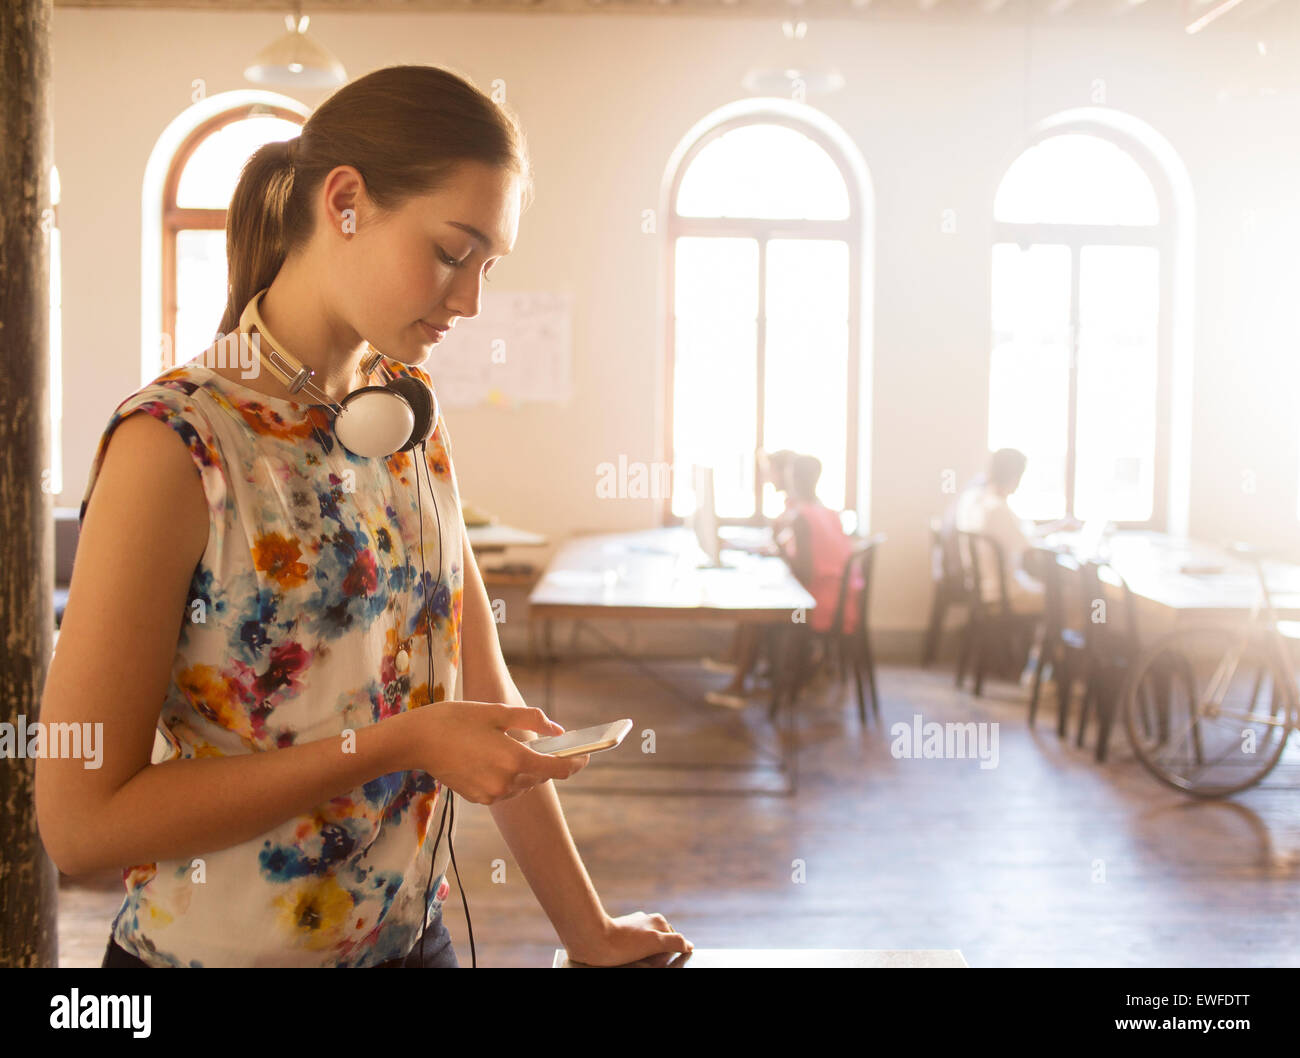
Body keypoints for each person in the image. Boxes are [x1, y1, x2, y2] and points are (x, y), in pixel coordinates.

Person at [35, 65, 691, 968]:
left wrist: (590, 931)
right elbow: (80, 826)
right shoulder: (176, 444)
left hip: (414, 945)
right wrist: (397, 744)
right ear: (344, 201)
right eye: (453, 252)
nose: (470, 301)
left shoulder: (408, 413)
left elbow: (489, 696)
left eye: (489, 266)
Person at [703, 449, 796, 709]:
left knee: (756, 606)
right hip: (802, 585)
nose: (767, 478)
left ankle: (738, 684)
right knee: (754, 597)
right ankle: (734, 662)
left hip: (807, 596)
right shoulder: (793, 507)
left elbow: (788, 553)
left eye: (770, 471)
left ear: (784, 473)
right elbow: (780, 548)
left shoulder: (798, 512)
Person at [950, 448, 1076, 614]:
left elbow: (1021, 536)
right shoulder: (997, 509)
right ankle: (1053, 640)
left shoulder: (973, 499)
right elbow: (1029, 549)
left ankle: (1039, 638)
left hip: (981, 586)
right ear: (1015, 477)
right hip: (1003, 594)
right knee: (1072, 595)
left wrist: (1054, 528)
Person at [776, 454, 865, 645]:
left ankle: (788, 669)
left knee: (773, 609)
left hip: (821, 606)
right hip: (843, 600)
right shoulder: (829, 513)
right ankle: (785, 668)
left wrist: (780, 550)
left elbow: (804, 575)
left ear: (794, 480)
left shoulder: (801, 518)